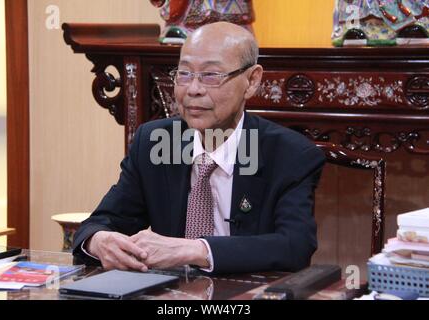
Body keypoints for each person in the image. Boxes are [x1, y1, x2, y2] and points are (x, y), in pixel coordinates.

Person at [72, 22, 325, 274]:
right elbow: (99, 223)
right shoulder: (154, 142)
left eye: (211, 75)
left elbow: (294, 246)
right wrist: (100, 241)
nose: (193, 90)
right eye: (184, 74)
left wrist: (197, 250)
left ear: (252, 80)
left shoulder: (289, 155)